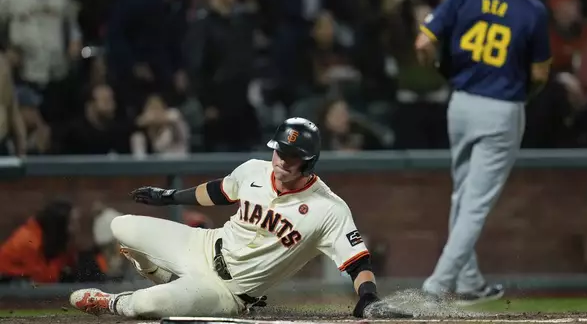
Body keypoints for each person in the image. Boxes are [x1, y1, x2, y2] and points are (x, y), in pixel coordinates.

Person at [69, 117, 410, 319]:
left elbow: (357, 261)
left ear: (309, 162)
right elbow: (220, 191)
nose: (280, 161)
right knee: (121, 226)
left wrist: (367, 297)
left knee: (148, 304)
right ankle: (159, 274)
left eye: (292, 156)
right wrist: (169, 197)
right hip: (202, 245)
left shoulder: (329, 209)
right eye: (279, 150)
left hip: (228, 292)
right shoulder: (254, 169)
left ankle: (112, 303)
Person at [415, 0, 551, 305]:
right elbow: (540, 75)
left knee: (463, 196)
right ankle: (437, 286)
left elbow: (423, 43)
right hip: (501, 107)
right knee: (474, 203)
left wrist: (446, 72)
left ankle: (471, 282)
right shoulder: (532, 9)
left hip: (461, 105)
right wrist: (524, 94)